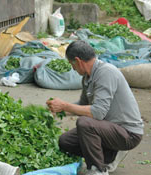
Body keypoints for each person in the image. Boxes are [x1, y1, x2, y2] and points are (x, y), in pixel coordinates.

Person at [46, 40, 143, 175]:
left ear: (78, 61)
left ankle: (98, 170)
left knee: (85, 124)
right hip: (108, 127)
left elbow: (97, 113)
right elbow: (82, 106)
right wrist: (61, 109)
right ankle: (109, 154)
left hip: (128, 133)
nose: (72, 68)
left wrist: (65, 105)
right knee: (65, 141)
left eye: (71, 64)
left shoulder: (106, 73)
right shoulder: (87, 78)